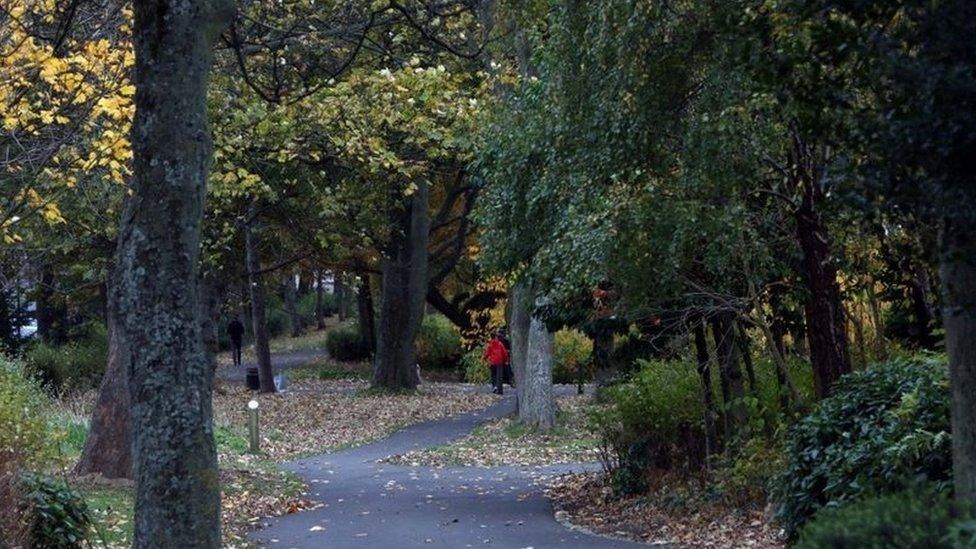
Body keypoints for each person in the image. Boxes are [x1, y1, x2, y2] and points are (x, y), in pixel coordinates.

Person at [483, 330, 509, 395]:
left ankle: (494, 386)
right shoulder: (500, 344)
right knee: (499, 375)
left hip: (493, 362)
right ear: (496, 337)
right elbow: (504, 352)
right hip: (500, 361)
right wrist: (506, 360)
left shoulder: (490, 344)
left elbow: (487, 353)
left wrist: (484, 357)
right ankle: (499, 387)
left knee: (493, 375)